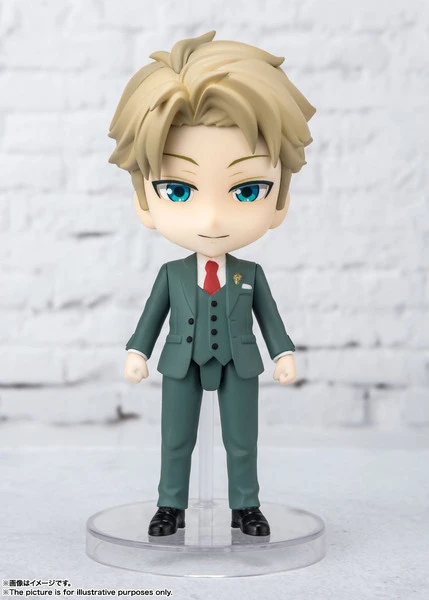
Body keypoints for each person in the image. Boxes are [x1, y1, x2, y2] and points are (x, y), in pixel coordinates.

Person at [108, 30, 315, 536]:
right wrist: (137, 351)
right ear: (144, 201)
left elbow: (270, 318)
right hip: (181, 361)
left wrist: (283, 353)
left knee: (242, 440)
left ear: (279, 200)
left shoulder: (251, 275)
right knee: (175, 438)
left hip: (239, 362)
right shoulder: (172, 274)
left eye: (247, 190)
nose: (213, 218)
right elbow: (151, 318)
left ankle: (246, 506)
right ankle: (170, 505)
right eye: (178, 190)